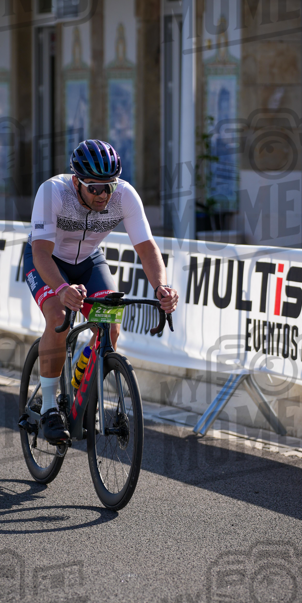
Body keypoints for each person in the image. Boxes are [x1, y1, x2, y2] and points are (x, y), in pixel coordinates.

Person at [25, 138, 179, 445]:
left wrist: (161, 286)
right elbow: (41, 253)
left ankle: (84, 388)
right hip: (46, 262)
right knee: (58, 316)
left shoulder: (124, 196)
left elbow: (148, 249)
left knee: (110, 328)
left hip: (88, 262)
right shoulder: (52, 192)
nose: (102, 194)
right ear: (77, 182)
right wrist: (62, 287)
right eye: (93, 187)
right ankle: (50, 406)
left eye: (108, 186)